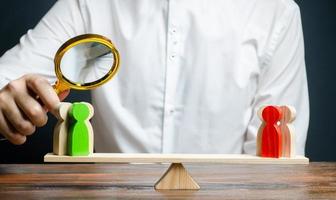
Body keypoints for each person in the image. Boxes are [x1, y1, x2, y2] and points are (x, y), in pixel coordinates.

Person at [0, 0, 309, 155]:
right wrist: (5, 107)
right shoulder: (88, 4)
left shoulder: (275, 11)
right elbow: (6, 82)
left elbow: (276, 162)